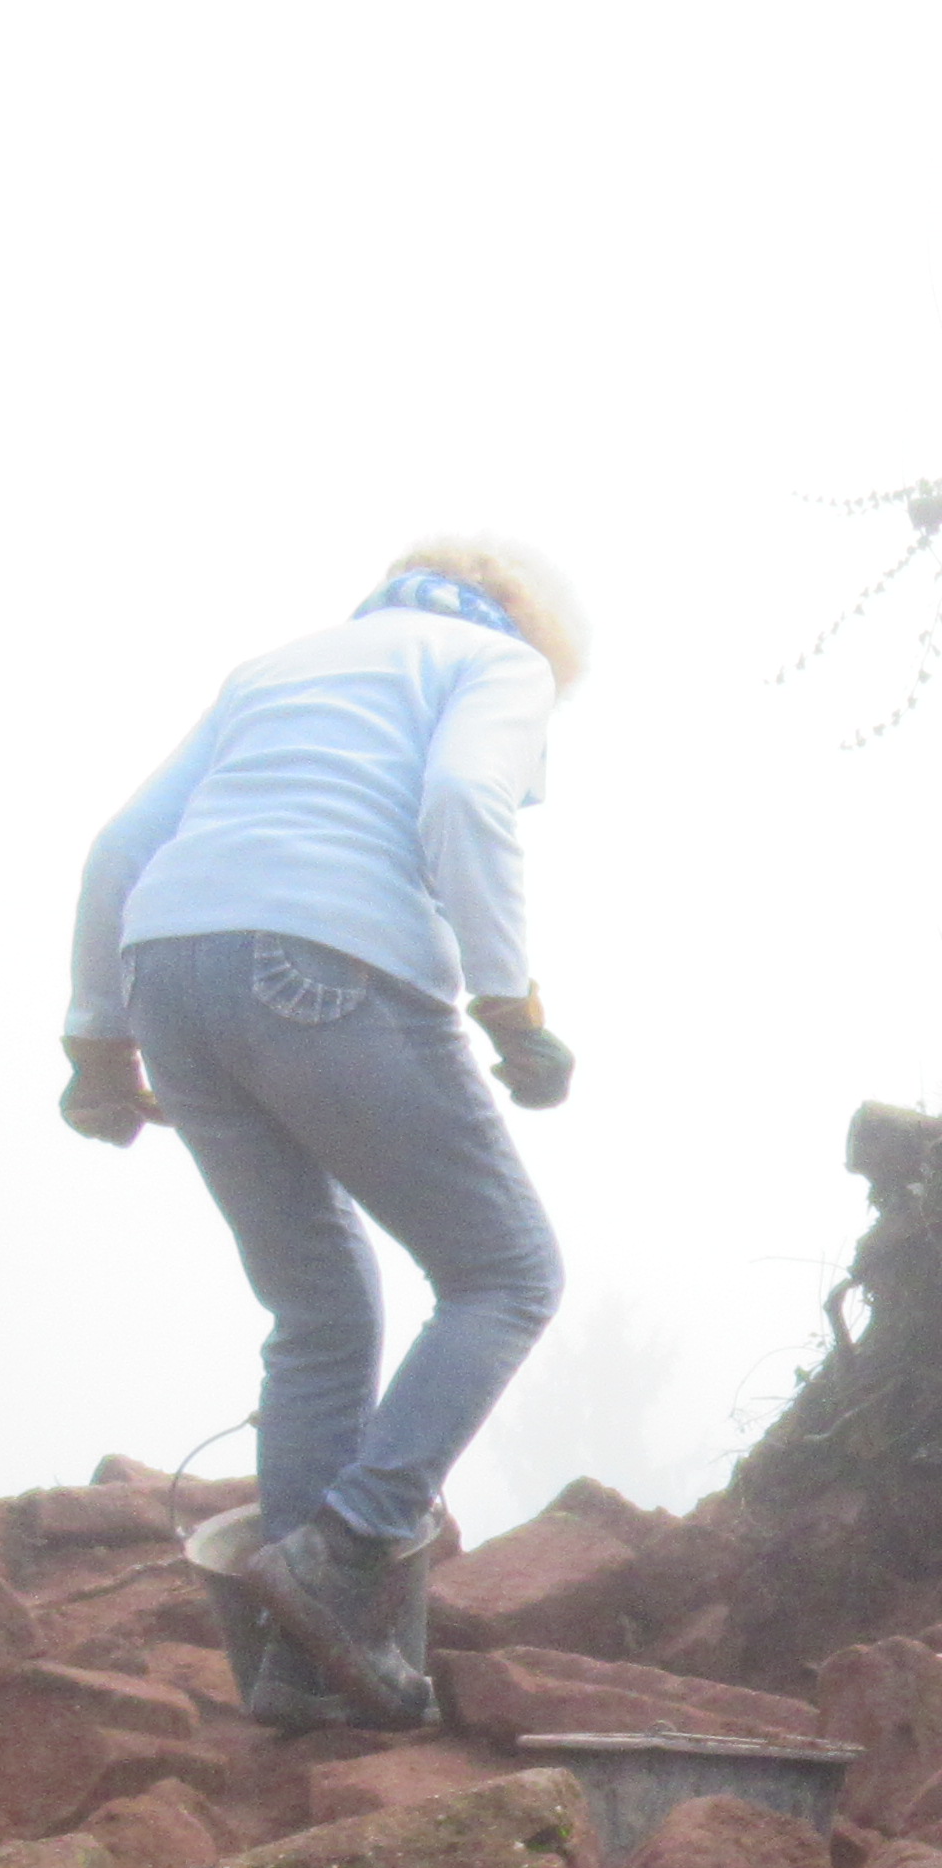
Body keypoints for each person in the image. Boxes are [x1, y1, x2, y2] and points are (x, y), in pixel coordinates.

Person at [60, 542, 588, 1728]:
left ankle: (298, 1672)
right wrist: (511, 1007)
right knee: (505, 1274)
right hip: (329, 963)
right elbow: (466, 800)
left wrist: (96, 1045)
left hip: (167, 974)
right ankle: (347, 1555)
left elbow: (120, 848)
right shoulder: (499, 663)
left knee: (320, 1313)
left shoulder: (277, 670)